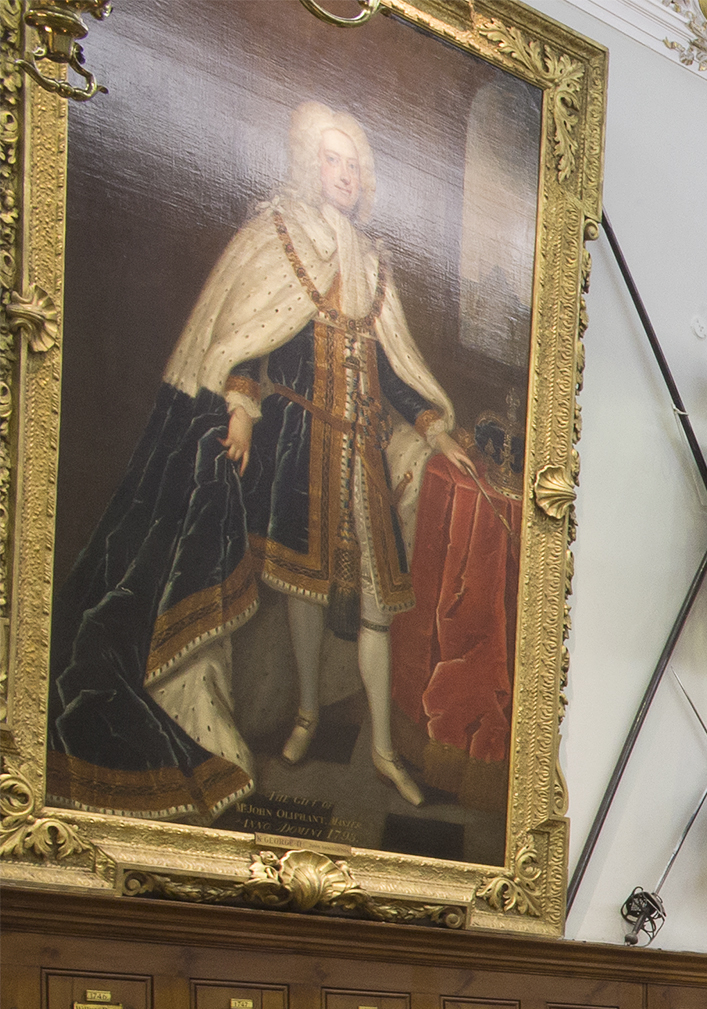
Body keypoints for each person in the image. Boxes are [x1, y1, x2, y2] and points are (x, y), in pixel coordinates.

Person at [51, 100, 502, 817]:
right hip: (298, 455)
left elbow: (393, 373)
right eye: (332, 160)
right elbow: (247, 341)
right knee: (304, 597)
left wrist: (434, 427)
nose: (344, 174)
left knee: (378, 607)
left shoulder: (373, 263)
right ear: (308, 166)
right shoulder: (280, 239)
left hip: (361, 459)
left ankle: (383, 751)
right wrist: (239, 408)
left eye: (354, 164)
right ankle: (307, 717)